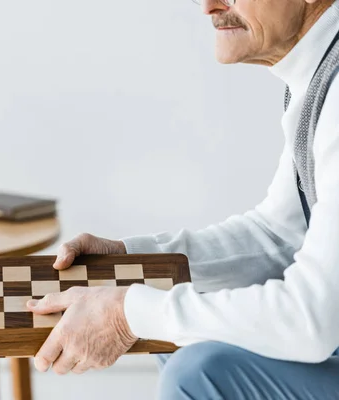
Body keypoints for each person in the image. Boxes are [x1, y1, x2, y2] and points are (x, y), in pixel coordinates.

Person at [25, 0, 339, 398]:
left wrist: (126, 314)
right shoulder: (319, 77)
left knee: (199, 372)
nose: (209, 6)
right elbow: (277, 236)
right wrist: (133, 261)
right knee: (183, 334)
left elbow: (310, 321)